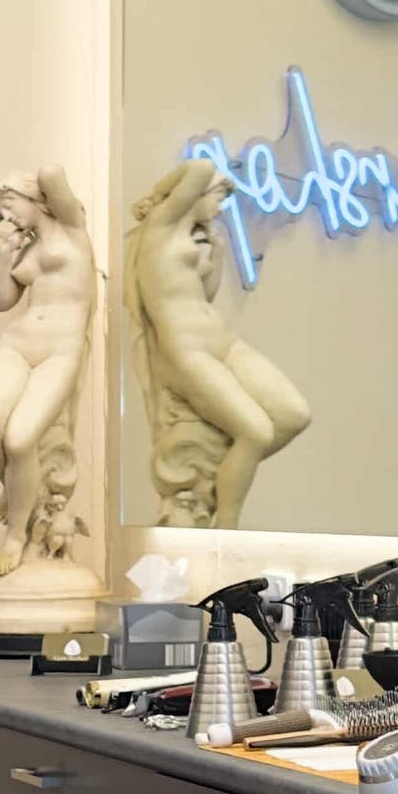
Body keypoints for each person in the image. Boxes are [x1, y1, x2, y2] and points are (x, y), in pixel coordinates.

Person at [124, 159, 310, 529]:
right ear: (196, 193)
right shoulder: (162, 226)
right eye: (219, 196)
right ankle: (227, 525)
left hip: (223, 343)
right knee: (255, 430)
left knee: (293, 415)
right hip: (186, 354)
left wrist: (219, 253)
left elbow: (201, 295)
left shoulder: (191, 236)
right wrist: (161, 195)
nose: (221, 208)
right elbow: (199, 166)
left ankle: (217, 479)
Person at [0, 170, 97, 577]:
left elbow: (53, 174)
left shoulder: (73, 228)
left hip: (60, 350)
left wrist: (12, 183)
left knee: (20, 439)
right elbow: (4, 300)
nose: (7, 219)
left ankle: (17, 534)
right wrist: (4, 259)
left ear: (31, 197)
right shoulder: (22, 249)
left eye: (9, 208)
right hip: (17, 344)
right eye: (0, 214)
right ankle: (16, 487)